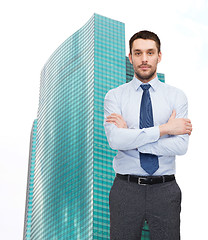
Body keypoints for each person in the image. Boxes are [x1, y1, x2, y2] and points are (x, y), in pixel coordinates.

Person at [103, 30, 192, 240]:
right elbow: (115, 140)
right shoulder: (114, 97)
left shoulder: (176, 96)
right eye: (138, 53)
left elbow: (181, 146)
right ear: (130, 57)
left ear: (159, 56)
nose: (144, 59)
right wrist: (164, 129)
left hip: (165, 189)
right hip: (125, 189)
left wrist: (132, 138)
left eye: (150, 53)